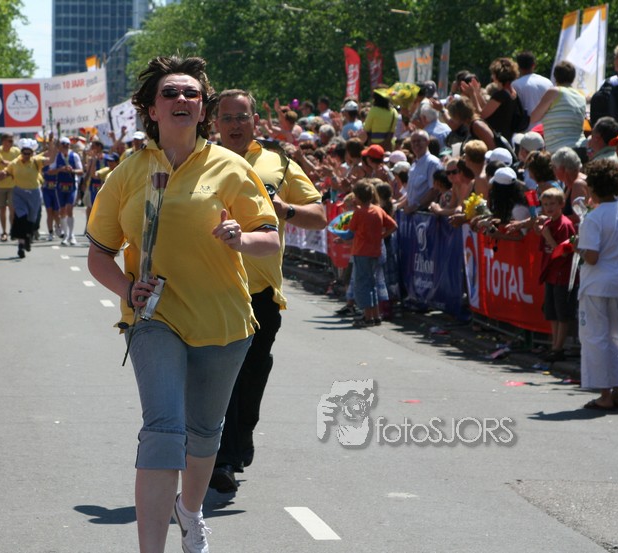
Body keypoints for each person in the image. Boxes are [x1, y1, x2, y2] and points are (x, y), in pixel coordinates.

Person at [86, 56, 279, 553]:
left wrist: (241, 238)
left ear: (203, 109)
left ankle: (189, 512)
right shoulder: (128, 173)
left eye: (192, 93)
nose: (181, 99)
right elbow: (99, 254)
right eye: (170, 92)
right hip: (154, 317)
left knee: (204, 434)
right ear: (152, 109)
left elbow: (270, 238)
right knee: (163, 429)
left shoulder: (230, 167)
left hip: (222, 319)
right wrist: (126, 289)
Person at [210, 89, 326, 494]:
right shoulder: (198, 161)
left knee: (252, 374)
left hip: (261, 292)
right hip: (210, 288)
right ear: (215, 124)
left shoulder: (278, 162)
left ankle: (240, 438)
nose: (235, 125)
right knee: (220, 376)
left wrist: (285, 210)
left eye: (242, 117)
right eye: (227, 118)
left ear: (255, 121)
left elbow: (319, 216)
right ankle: (223, 459)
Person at [575, 159, 618, 411]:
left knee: (596, 339)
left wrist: (578, 247)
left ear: (593, 188)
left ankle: (605, 395)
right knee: (615, 339)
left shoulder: (593, 218)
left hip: (596, 285)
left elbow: (592, 257)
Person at [346, 179, 397, 326]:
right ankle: (375, 315)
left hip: (361, 252)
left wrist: (339, 238)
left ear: (358, 197)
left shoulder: (359, 212)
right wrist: (381, 236)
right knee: (372, 284)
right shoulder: (378, 210)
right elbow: (393, 226)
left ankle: (368, 317)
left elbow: (350, 233)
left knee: (363, 285)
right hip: (375, 252)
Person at [533, 188, 576, 362]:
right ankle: (554, 346)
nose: (549, 208)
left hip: (562, 275)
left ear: (561, 204)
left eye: (552, 204)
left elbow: (564, 252)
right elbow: (543, 248)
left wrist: (548, 236)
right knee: (551, 312)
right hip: (550, 273)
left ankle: (559, 348)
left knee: (562, 313)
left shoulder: (564, 224)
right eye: (545, 204)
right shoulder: (548, 224)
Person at [0, 138, 55, 259]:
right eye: (25, 153)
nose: (27, 156)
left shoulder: (36, 161)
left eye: (29, 153)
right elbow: (6, 172)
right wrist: (2, 174)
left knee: (31, 219)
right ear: (21, 152)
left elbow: (51, 159)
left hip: (33, 194)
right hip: (19, 193)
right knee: (21, 218)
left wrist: (52, 144)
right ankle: (21, 245)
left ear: (32, 153)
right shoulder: (15, 163)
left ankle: (28, 236)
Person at [529, 61, 586, 154]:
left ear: (555, 76)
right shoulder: (581, 95)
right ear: (573, 77)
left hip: (560, 151)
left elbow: (534, 118)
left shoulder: (554, 92)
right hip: (582, 148)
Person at [50, 136, 83, 246]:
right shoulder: (57, 156)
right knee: (62, 210)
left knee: (70, 209)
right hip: (60, 186)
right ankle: (65, 235)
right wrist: (60, 169)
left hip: (72, 186)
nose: (65, 147)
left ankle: (71, 235)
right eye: (63, 145)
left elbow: (81, 171)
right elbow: (50, 171)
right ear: (60, 146)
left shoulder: (74, 156)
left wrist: (72, 170)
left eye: (67, 145)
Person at [401, 129, 442, 213]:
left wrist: (416, 206)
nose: (416, 144)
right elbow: (411, 193)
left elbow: (434, 190)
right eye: (413, 141)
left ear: (427, 142)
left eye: (419, 141)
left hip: (425, 214)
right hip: (413, 214)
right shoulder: (414, 165)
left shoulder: (432, 163)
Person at [513, 52, 552, 127]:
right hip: (546, 129)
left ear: (518, 66)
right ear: (534, 65)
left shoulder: (515, 85)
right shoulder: (547, 82)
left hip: (525, 130)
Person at [0, 133, 21, 241]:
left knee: (12, 209)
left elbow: (20, 164)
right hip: (0, 185)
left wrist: (8, 165)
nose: (12, 143)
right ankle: (4, 232)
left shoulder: (16, 151)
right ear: (3, 141)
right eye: (10, 141)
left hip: (13, 185)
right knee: (2, 209)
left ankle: (12, 231)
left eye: (12, 141)